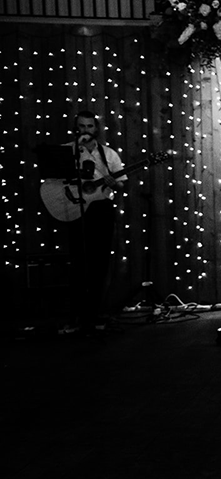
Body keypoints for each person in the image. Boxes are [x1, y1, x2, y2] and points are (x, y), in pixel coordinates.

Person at [64, 111, 126, 330]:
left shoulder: (108, 154)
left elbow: (121, 183)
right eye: (82, 126)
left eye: (89, 126)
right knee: (78, 262)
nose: (86, 130)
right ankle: (78, 314)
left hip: (101, 209)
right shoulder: (67, 152)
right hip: (75, 208)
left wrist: (113, 183)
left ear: (96, 129)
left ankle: (94, 312)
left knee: (99, 262)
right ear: (76, 128)